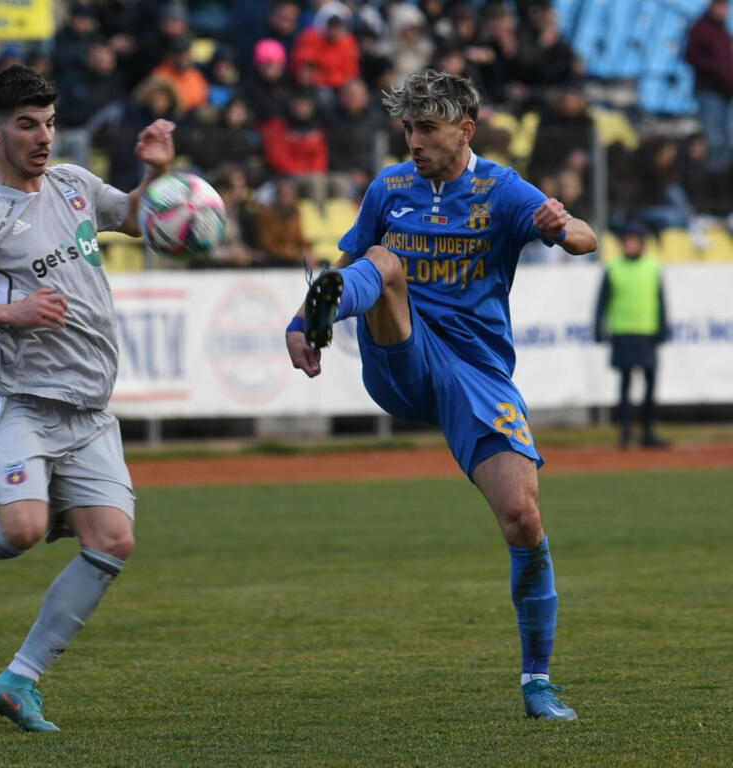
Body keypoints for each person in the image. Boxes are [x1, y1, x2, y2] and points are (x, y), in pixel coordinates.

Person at [285, 69, 598, 720]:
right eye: (407, 128)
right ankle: (328, 314)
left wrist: (562, 226)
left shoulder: (503, 190)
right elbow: (352, 264)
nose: (414, 141)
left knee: (523, 517)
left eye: (427, 128)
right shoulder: (389, 187)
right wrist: (301, 322)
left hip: (477, 372)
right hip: (400, 352)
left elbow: (585, 240)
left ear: (466, 130)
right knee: (386, 262)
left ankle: (537, 681)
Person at [0, 64, 175, 733]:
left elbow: (137, 220)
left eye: (49, 122)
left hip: (89, 412)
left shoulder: (75, 185)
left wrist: (157, 176)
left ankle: (19, 680)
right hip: (24, 404)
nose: (43, 136)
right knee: (20, 530)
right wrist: (10, 313)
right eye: (27, 124)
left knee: (113, 540)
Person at [594, 220, 669, 449]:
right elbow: (601, 302)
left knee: (650, 384)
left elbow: (661, 301)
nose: (630, 245)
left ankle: (648, 431)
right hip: (623, 331)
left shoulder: (653, 267)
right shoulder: (614, 267)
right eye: (627, 241)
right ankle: (626, 433)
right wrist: (599, 328)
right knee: (625, 385)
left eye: (634, 241)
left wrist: (662, 328)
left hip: (647, 332)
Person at [685, 0, 733, 172]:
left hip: (725, 90)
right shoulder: (701, 27)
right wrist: (714, 68)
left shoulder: (723, 30)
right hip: (709, 90)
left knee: (725, 136)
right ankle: (711, 177)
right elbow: (690, 55)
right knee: (713, 136)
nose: (723, 10)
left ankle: (721, 178)